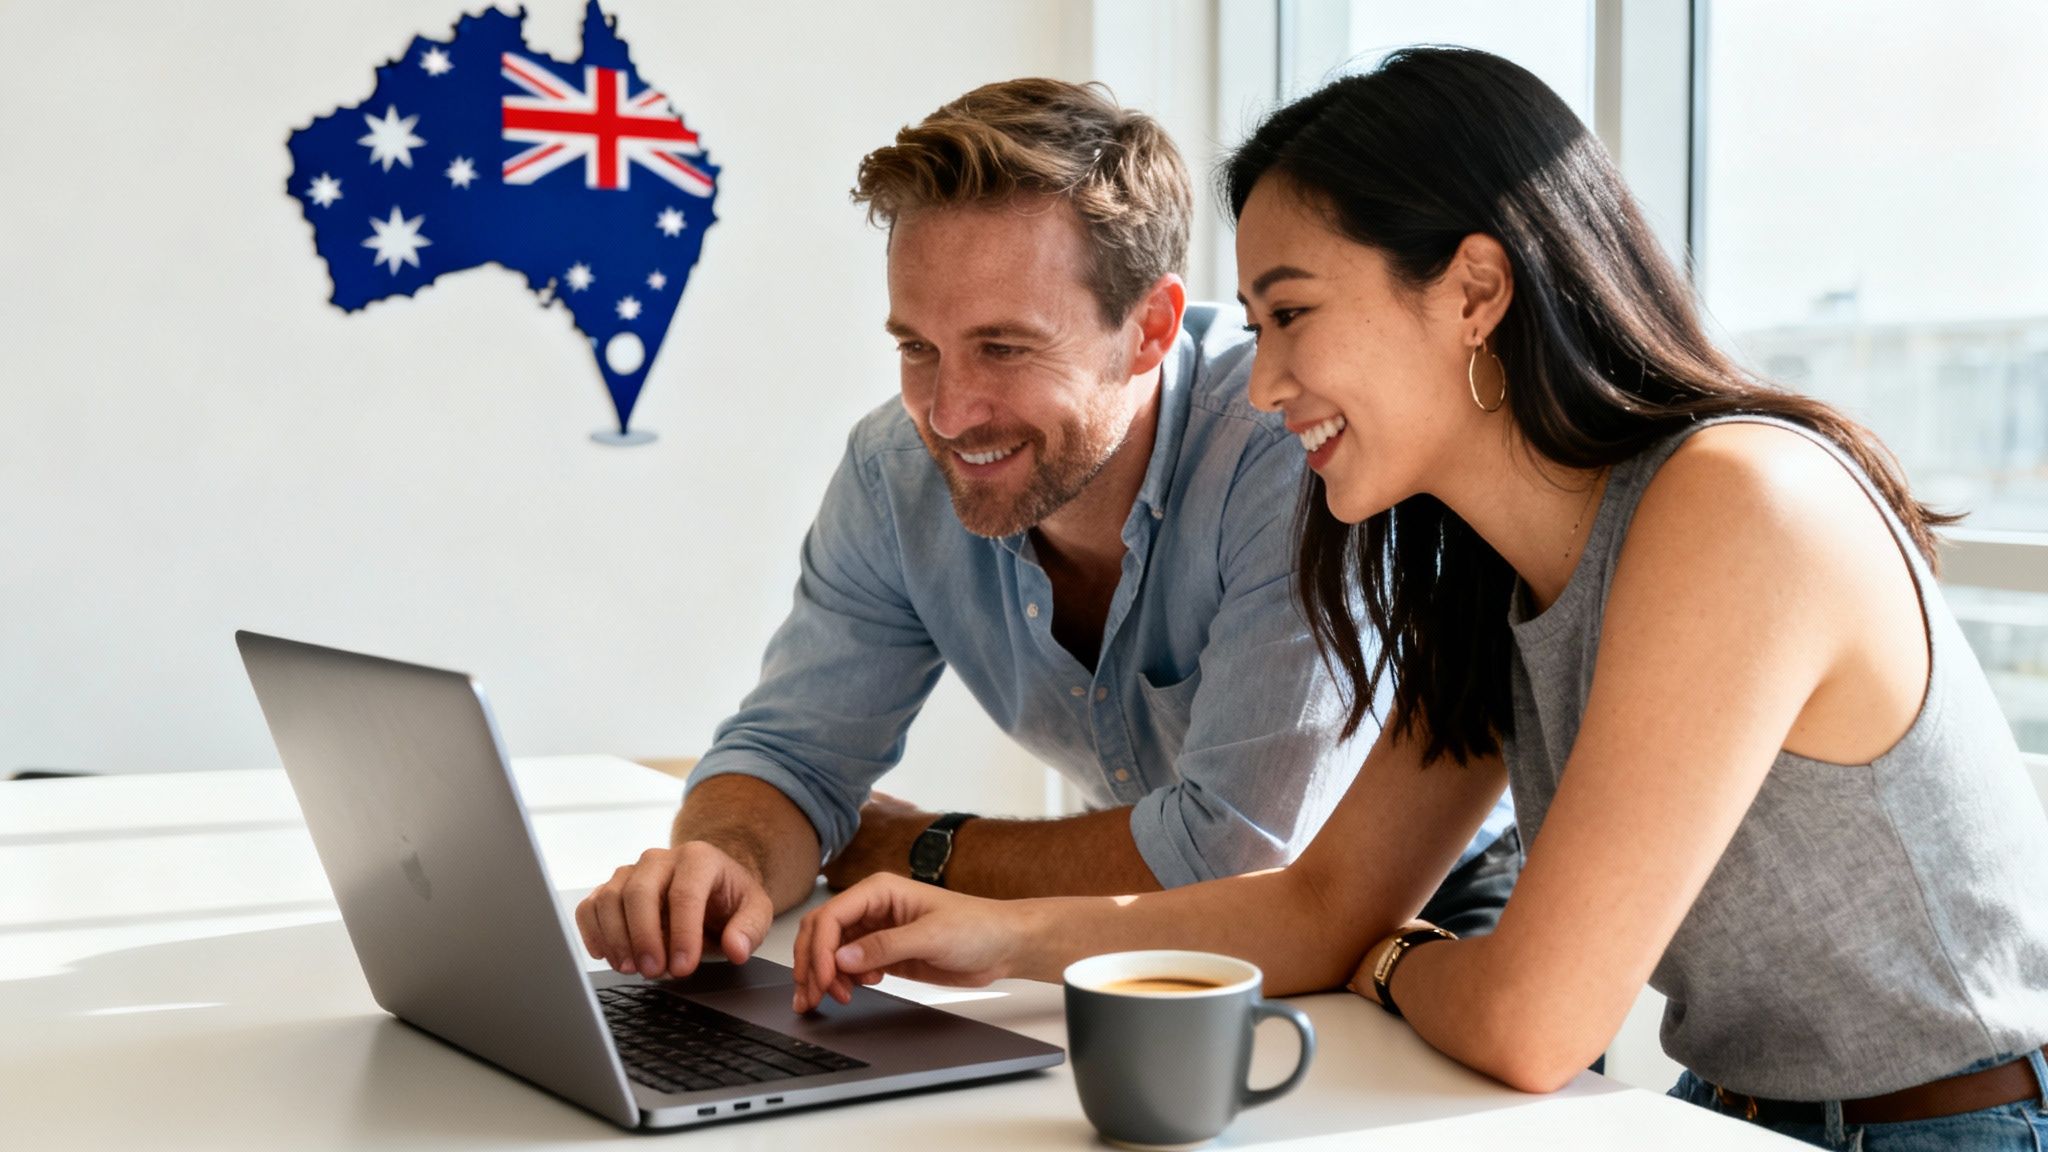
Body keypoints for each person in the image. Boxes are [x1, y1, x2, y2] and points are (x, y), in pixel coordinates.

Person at [790, 49, 2048, 1151]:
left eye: (1289, 314)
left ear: (1474, 292)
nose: (1264, 382)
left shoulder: (1734, 501)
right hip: (1735, 1114)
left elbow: (1527, 1020)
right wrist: (988, 937)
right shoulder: (1488, 568)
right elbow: (1314, 903)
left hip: (1961, 1125)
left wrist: (1386, 958)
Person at [575, 79, 1517, 986]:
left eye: (1004, 347)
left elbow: (1230, 860)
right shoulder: (893, 472)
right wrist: (719, 863)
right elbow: (790, 760)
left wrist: (913, 847)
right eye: (917, 348)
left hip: (1434, 914)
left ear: (1150, 328)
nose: (947, 412)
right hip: (1152, 934)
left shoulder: (1295, 452)